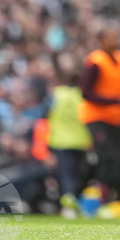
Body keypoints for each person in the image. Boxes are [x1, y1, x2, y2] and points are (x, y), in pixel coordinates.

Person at [79, 27, 120, 202]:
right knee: (107, 156)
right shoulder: (96, 61)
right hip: (96, 116)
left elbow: (118, 90)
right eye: (111, 37)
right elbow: (86, 92)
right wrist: (112, 101)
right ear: (101, 41)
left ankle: (100, 192)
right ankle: (102, 195)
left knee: (113, 158)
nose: (115, 40)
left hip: (115, 118)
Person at [48, 71, 93, 216]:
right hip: (81, 141)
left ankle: (69, 207)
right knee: (79, 175)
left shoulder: (57, 95)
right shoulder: (83, 96)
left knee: (67, 175)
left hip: (61, 141)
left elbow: (45, 114)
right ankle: (75, 204)